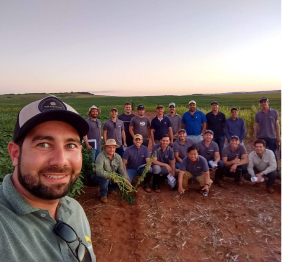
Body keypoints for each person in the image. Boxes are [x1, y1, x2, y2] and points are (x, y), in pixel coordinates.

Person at [0, 95, 96, 262]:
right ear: (15, 154)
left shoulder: (75, 210)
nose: (60, 161)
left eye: (71, 145)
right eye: (43, 144)